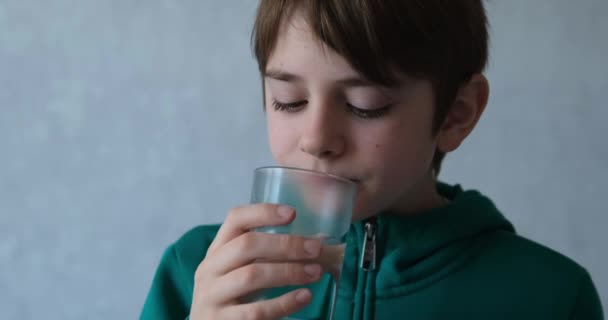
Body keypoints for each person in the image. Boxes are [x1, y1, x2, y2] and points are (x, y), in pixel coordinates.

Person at [140, 1, 604, 319]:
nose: (317, 139)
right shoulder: (197, 271)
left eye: (365, 105)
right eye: (289, 99)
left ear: (456, 114)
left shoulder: (549, 296)